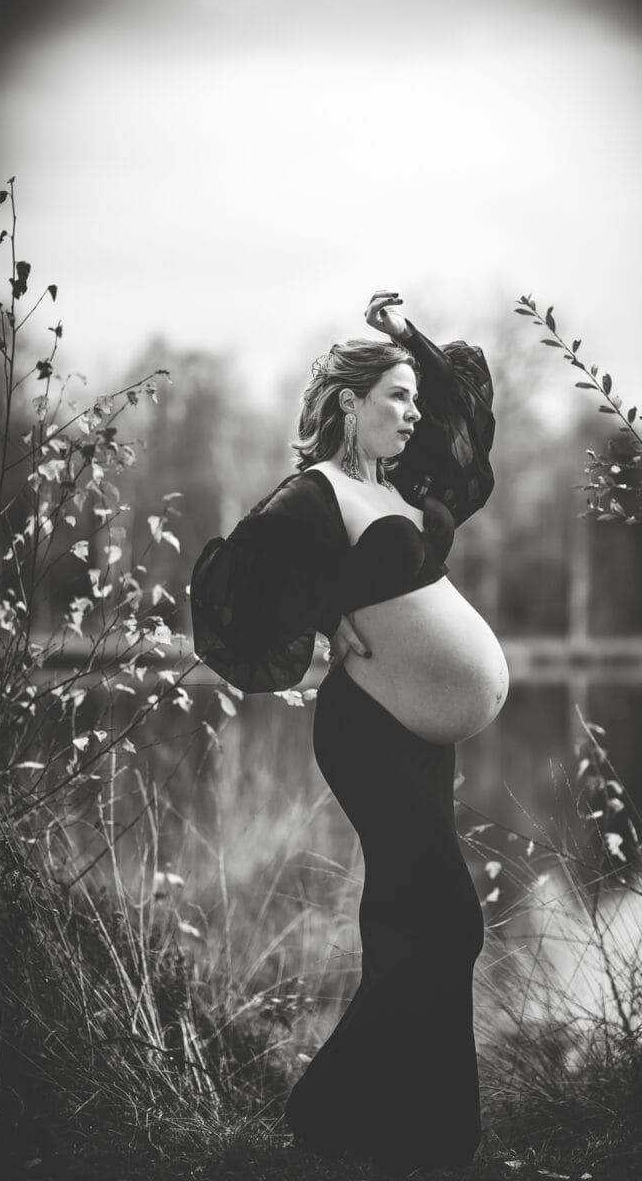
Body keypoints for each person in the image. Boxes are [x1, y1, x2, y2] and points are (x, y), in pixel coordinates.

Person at [190, 289, 509, 1170]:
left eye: (411, 395)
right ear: (347, 405)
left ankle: (423, 1139)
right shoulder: (315, 493)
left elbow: (465, 422)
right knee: (452, 924)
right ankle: (324, 1114)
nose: (413, 411)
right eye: (395, 396)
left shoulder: (405, 485)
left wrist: (406, 339)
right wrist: (322, 619)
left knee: (406, 920)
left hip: (420, 732)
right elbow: (233, 594)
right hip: (367, 732)